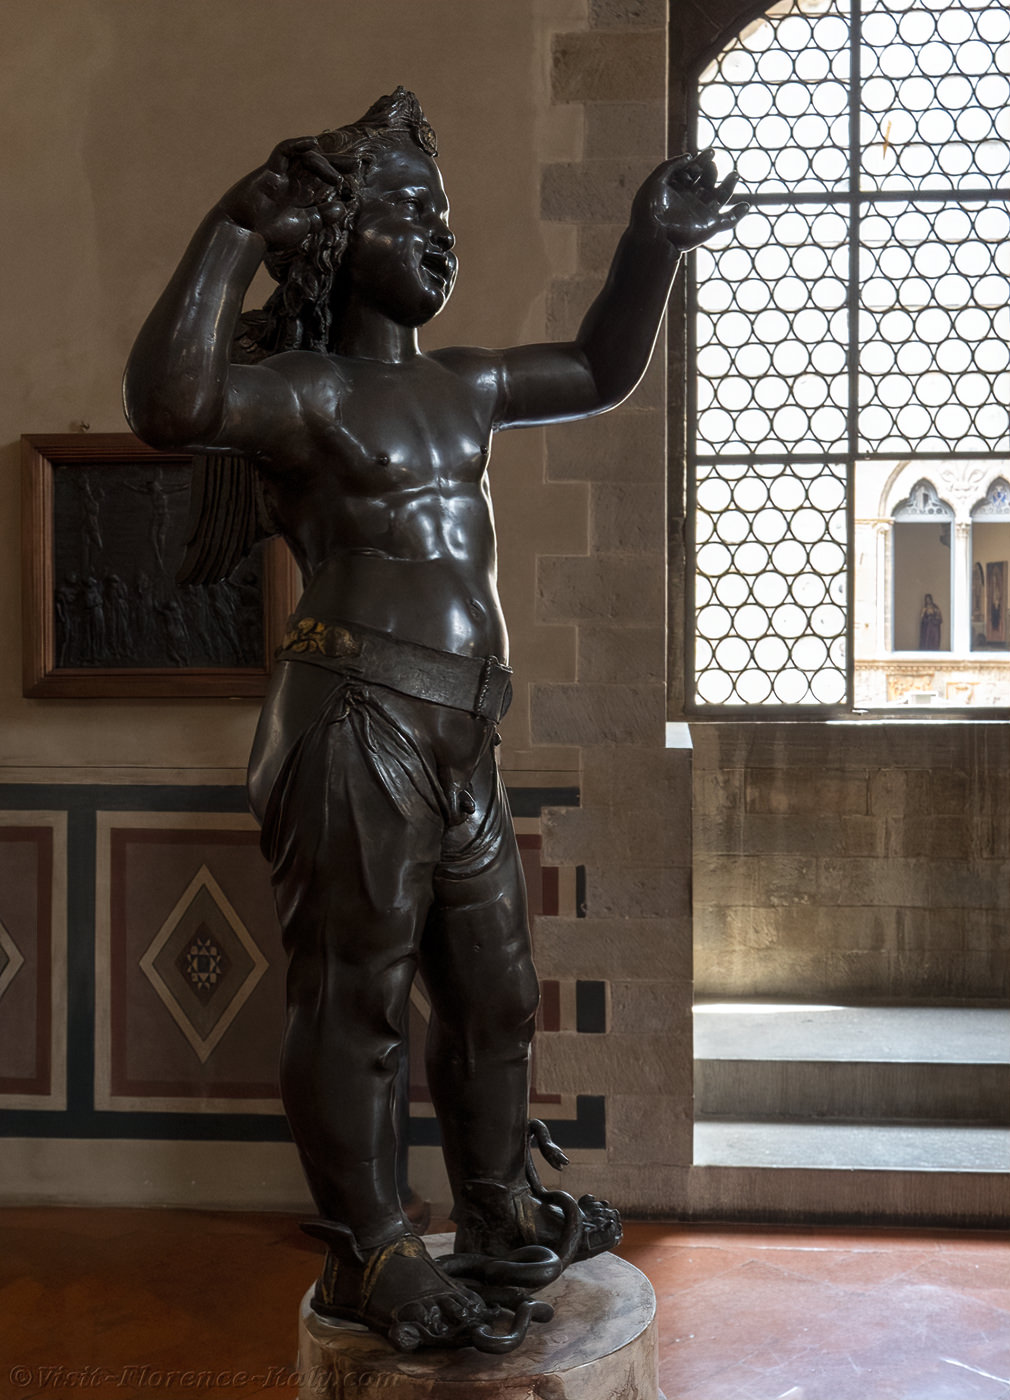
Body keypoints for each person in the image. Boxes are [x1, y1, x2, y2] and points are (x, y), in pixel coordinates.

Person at [124, 88, 745, 1352]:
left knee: (499, 994)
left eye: (442, 211)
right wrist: (236, 225)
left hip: (464, 733)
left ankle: (497, 1202)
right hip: (357, 711)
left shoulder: (464, 387)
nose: (437, 232)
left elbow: (594, 367)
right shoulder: (302, 392)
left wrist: (650, 248)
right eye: (408, 209)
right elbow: (169, 406)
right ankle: (369, 1252)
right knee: (356, 996)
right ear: (340, 238)